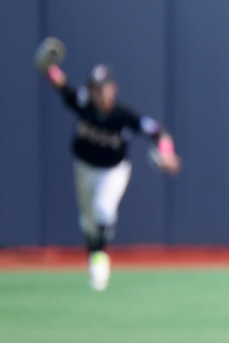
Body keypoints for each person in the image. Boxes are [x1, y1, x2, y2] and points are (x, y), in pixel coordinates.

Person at [35, 39, 182, 290]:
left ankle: (100, 257)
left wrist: (167, 153)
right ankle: (95, 253)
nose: (96, 93)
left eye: (100, 88)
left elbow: (159, 132)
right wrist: (48, 68)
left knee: (103, 210)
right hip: (84, 167)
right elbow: (61, 84)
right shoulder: (83, 103)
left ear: (112, 88)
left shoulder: (123, 115)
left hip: (113, 171)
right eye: (93, 88)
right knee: (87, 221)